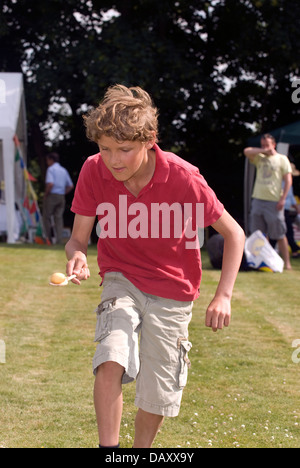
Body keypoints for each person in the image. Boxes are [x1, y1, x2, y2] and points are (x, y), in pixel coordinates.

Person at [65, 85, 245, 448]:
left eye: (124, 149)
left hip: (174, 293)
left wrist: (223, 295)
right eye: (105, 149)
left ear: (149, 140)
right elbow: (77, 239)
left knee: (158, 391)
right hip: (121, 279)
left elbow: (235, 234)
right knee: (112, 353)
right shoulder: (93, 170)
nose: (113, 159)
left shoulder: (184, 178)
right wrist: (78, 256)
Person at [244, 134, 293, 270]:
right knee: (258, 234)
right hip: (258, 199)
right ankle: (259, 263)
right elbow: (246, 151)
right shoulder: (260, 157)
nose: (265, 147)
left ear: (274, 144)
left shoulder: (282, 159)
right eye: (263, 144)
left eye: (267, 144)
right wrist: (263, 151)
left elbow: (288, 180)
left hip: (274, 201)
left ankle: (287, 263)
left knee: (279, 234)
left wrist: (283, 199)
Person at [43, 152, 74, 244]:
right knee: (59, 218)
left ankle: (48, 238)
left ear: (51, 160)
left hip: (52, 195)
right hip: (61, 196)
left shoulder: (51, 169)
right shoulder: (63, 170)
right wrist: (63, 192)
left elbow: (50, 183)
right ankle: (59, 240)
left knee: (47, 217)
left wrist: (45, 194)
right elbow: (71, 185)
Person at [284, 163, 300, 258]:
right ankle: (294, 249)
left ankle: (294, 249)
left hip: (285, 209)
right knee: (287, 231)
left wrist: (297, 208)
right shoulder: (285, 183)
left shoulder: (288, 183)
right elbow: (289, 197)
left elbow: (291, 198)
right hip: (282, 209)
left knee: (287, 230)